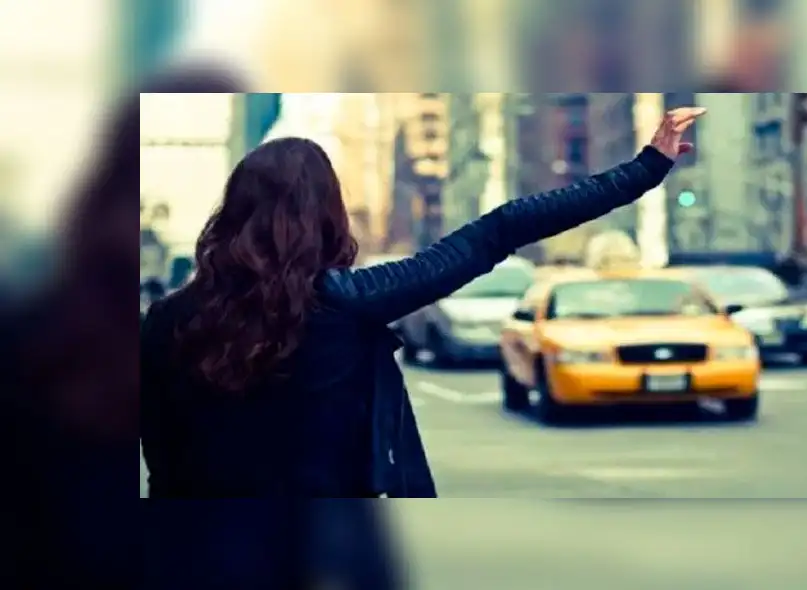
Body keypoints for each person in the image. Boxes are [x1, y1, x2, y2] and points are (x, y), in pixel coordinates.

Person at [141, 106, 703, 497]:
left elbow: (155, 456)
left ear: (233, 213)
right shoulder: (355, 300)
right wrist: (645, 169)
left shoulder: (163, 323)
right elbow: (500, 229)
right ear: (325, 216)